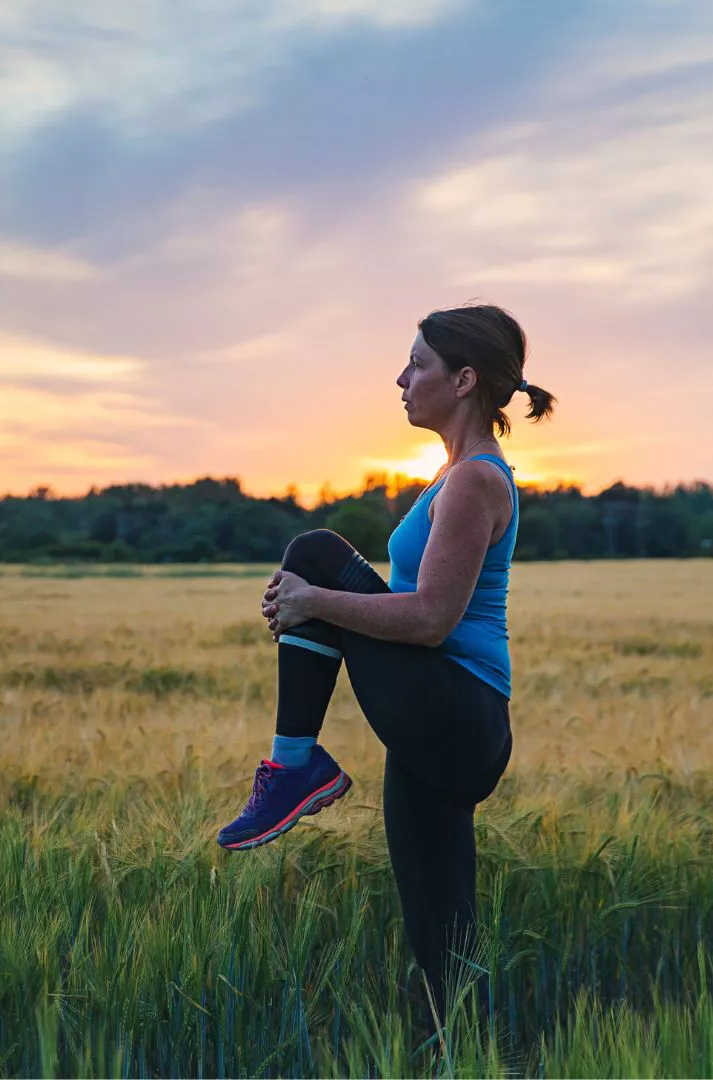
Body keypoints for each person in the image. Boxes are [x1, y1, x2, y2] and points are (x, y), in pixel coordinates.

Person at [215, 302, 555, 1033]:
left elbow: (431, 619)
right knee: (440, 935)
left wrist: (316, 602)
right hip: (439, 725)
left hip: (453, 709)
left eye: (417, 364)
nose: (400, 378)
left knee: (311, 553)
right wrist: (316, 608)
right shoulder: (458, 476)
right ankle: (460, 1056)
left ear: (464, 380)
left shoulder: (474, 482)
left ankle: (294, 766)